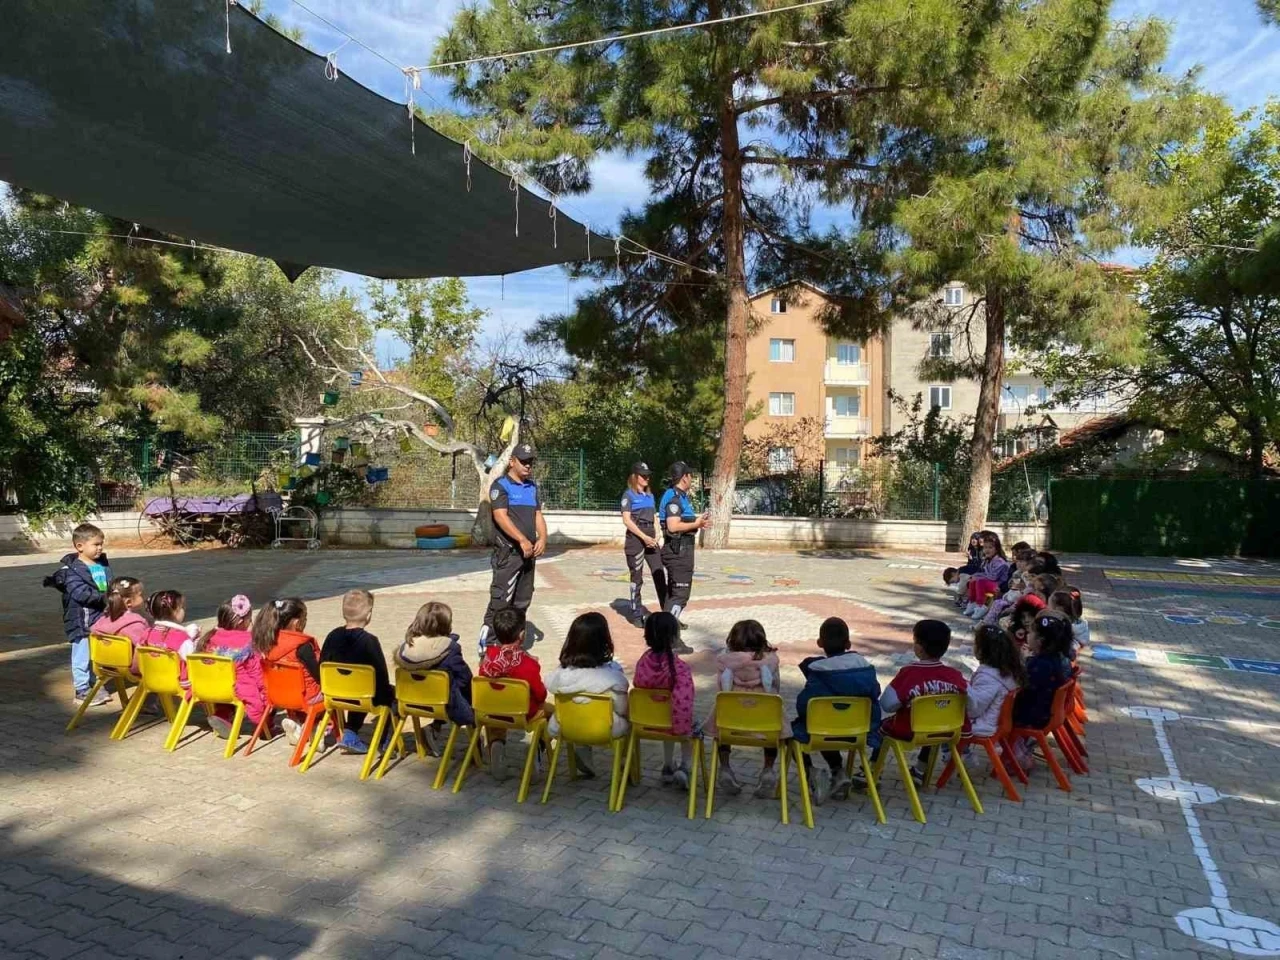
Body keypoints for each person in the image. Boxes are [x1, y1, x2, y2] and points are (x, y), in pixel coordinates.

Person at [792, 617, 881, 806]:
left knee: (795, 732)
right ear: (848, 644)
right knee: (828, 723)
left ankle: (812, 773)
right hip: (858, 732)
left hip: (823, 731)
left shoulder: (819, 672)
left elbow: (803, 706)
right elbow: (876, 693)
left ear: (819, 643)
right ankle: (838, 773)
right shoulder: (865, 668)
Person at [706, 619, 789, 799]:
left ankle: (725, 767)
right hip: (764, 725)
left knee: (721, 722)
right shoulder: (770, 661)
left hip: (730, 725)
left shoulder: (724, 661)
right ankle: (768, 770)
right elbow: (776, 687)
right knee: (775, 726)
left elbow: (721, 688)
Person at [477, 442, 547, 656]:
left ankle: (514, 649)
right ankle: (489, 647)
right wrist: (522, 540)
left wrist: (543, 538)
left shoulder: (531, 487)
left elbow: (537, 515)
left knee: (522, 601)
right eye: (524, 461)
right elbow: (500, 516)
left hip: (529, 554)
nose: (528, 465)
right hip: (509, 554)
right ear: (512, 462)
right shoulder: (501, 486)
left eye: (530, 461)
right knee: (501, 602)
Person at [877, 619, 967, 784]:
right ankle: (920, 769)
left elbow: (887, 704)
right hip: (945, 729)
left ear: (918, 647)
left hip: (909, 731)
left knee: (884, 727)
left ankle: (871, 770)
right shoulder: (955, 676)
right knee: (933, 719)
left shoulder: (909, 673)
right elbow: (971, 701)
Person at [43, 522, 112, 706]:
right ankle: (82, 690)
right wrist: (106, 598)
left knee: (95, 654)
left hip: (99, 618)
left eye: (101, 544)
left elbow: (107, 586)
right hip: (81, 621)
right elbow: (81, 594)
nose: (100, 548)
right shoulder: (70, 571)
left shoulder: (101, 565)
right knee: (81, 655)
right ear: (80, 546)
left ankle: (94, 684)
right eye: (96, 544)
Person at [478, 606, 550, 780]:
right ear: (522, 635)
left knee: (496, 705)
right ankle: (537, 748)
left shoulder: (488, 658)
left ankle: (496, 743)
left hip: (491, 710)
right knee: (552, 712)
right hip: (523, 714)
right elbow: (540, 695)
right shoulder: (527, 664)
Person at [320, 589, 393, 755]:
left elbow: (322, 664)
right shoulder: (370, 641)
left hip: (334, 694)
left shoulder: (333, 636)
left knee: (359, 687)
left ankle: (350, 734)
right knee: (389, 694)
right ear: (369, 615)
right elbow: (381, 675)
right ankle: (385, 741)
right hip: (362, 695)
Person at [395, 601, 474, 753]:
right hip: (443, 704)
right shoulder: (449, 648)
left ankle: (434, 728)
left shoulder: (407, 647)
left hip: (411, 702)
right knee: (469, 699)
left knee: (443, 689)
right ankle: (476, 752)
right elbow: (465, 678)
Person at [633, 612, 697, 789]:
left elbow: (638, 684)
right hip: (673, 723)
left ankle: (668, 765)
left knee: (665, 714)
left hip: (646, 722)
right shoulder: (679, 667)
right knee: (691, 728)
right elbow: (684, 702)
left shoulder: (642, 663)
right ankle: (685, 767)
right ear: (674, 637)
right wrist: (682, 729)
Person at [195, 595, 268, 738]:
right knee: (261, 692)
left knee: (233, 682)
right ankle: (267, 727)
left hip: (208, 687)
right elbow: (256, 671)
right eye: (249, 619)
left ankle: (222, 715)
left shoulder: (210, 637)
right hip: (235, 689)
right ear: (241, 621)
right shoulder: (248, 641)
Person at [252, 597, 321, 745]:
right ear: (296, 622)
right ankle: (316, 728)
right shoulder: (302, 646)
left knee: (297, 685)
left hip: (279, 696)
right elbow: (318, 674)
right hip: (305, 698)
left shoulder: (268, 642)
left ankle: (298, 724)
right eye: (305, 618)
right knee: (328, 693)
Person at [1010, 612, 1074, 765]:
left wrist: (1024, 662)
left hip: (1033, 716)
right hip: (1046, 712)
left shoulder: (1040, 665)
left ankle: (1013, 752)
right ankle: (1017, 749)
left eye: (1031, 633)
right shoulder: (1054, 659)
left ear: (1040, 641)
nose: (1027, 635)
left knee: (997, 708)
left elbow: (1021, 685)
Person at [659, 461, 710, 630]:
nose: (692, 478)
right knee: (681, 594)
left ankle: (668, 623)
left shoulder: (680, 496)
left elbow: (682, 520)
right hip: (678, 551)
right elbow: (673, 526)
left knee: (674, 592)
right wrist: (696, 524)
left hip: (680, 549)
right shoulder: (674, 497)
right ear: (684, 477)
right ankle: (667, 632)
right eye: (690, 475)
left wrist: (697, 521)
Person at [620, 461, 667, 624]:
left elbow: (654, 517)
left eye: (648, 475)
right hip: (636, 540)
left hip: (651, 538)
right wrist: (643, 537)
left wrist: (658, 533)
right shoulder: (628, 495)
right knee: (637, 577)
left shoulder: (650, 496)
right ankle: (636, 614)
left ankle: (668, 612)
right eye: (643, 475)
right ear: (635, 477)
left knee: (659, 573)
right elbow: (627, 520)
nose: (647, 478)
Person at [967, 623, 1025, 737]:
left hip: (982, 725)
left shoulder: (988, 678)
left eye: (975, 644)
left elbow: (974, 710)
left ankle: (947, 748)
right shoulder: (1007, 671)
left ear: (982, 650)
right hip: (994, 721)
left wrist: (965, 689)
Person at [141, 590, 201, 692]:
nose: (184, 610)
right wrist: (196, 641)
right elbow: (193, 660)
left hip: (154, 676)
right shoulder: (180, 638)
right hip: (179, 681)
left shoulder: (147, 633)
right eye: (182, 607)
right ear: (174, 611)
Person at [92, 576, 151, 673]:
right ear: (128, 602)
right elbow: (144, 648)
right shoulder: (135, 624)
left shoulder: (103, 620)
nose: (143, 597)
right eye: (140, 595)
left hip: (107, 665)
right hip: (131, 669)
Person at [963, 534, 1011, 618]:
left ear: (997, 549)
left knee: (980, 582)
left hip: (999, 586)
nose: (987, 550)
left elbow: (993, 577)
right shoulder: (988, 560)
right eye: (985, 547)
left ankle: (981, 605)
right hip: (990, 583)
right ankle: (972, 602)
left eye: (990, 547)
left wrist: (978, 577)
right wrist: (974, 575)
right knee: (973, 581)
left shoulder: (1000, 562)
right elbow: (984, 573)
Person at [1048, 588, 1090, 657]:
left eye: (1049, 607)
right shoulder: (1079, 623)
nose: (1047, 609)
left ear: (1058, 610)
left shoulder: (1063, 629)